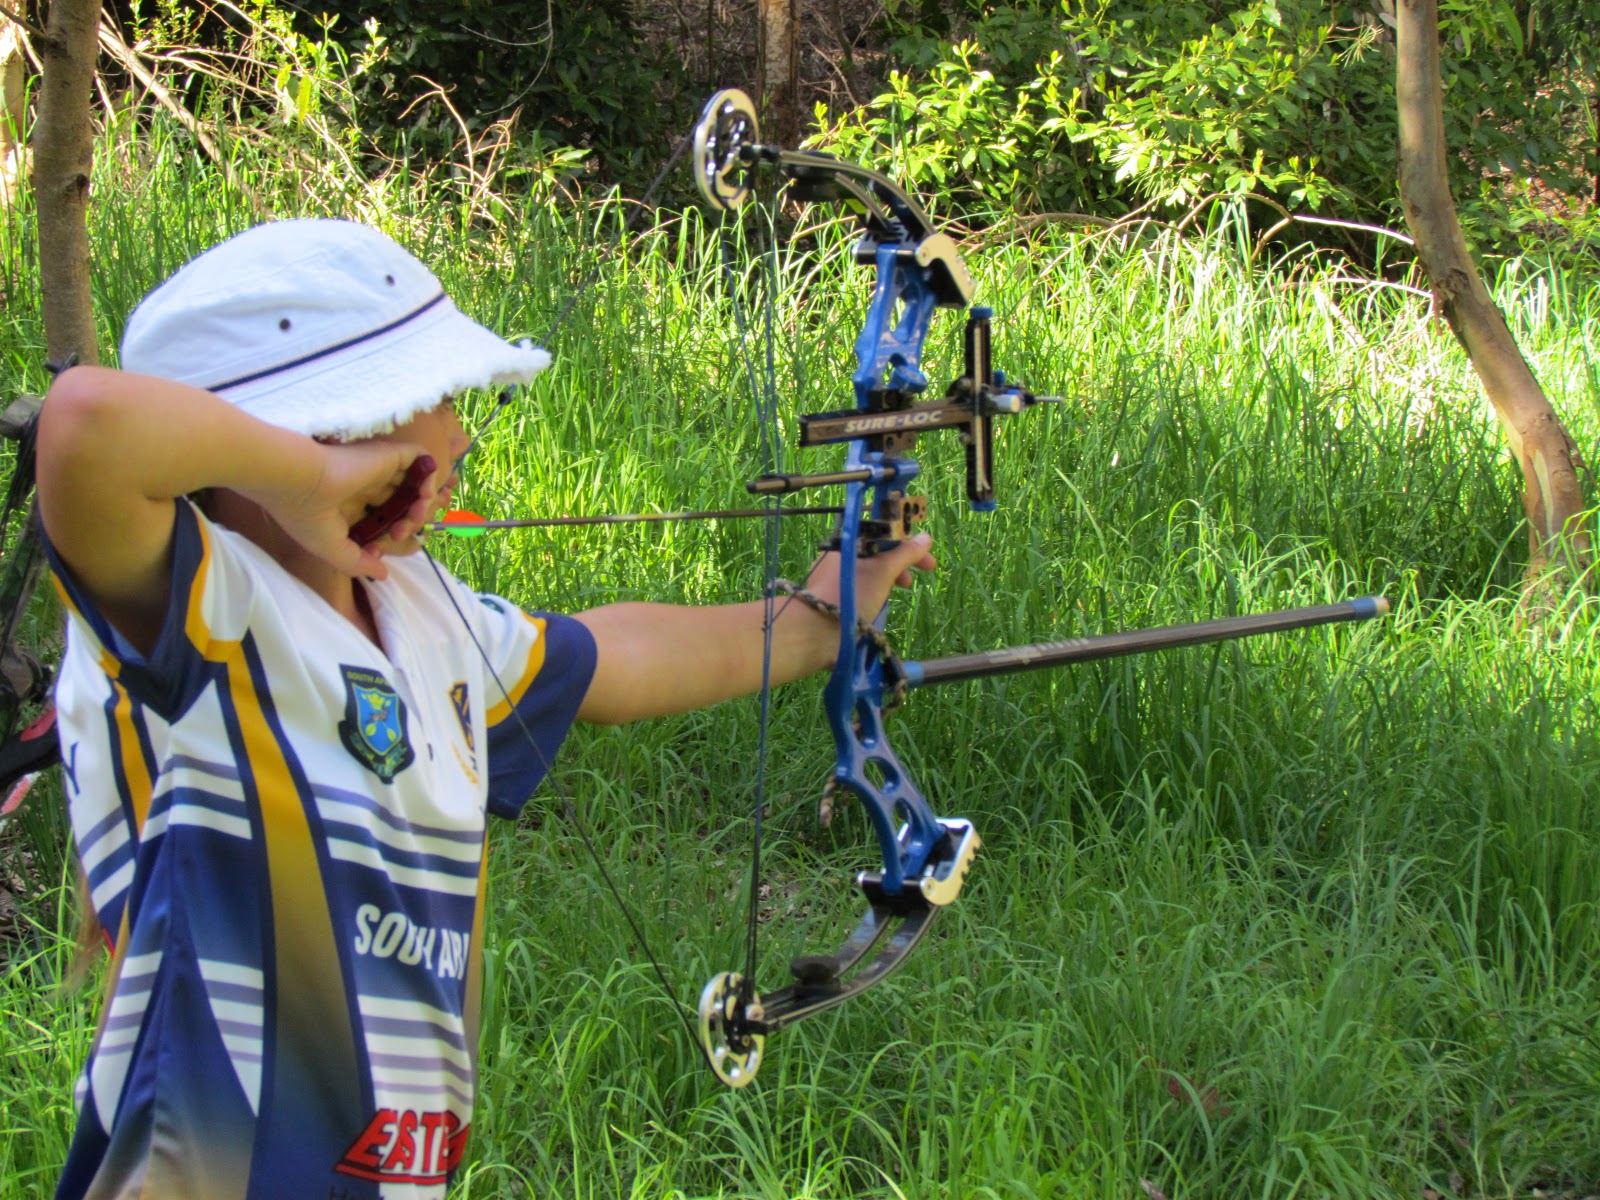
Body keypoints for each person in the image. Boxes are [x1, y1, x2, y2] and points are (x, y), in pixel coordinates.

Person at [36, 218, 935, 1199]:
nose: (461, 431)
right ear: (332, 423)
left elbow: (609, 659)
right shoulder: (196, 607)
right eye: (437, 398)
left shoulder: (420, 610)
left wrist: (811, 621)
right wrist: (310, 479)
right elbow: (84, 424)